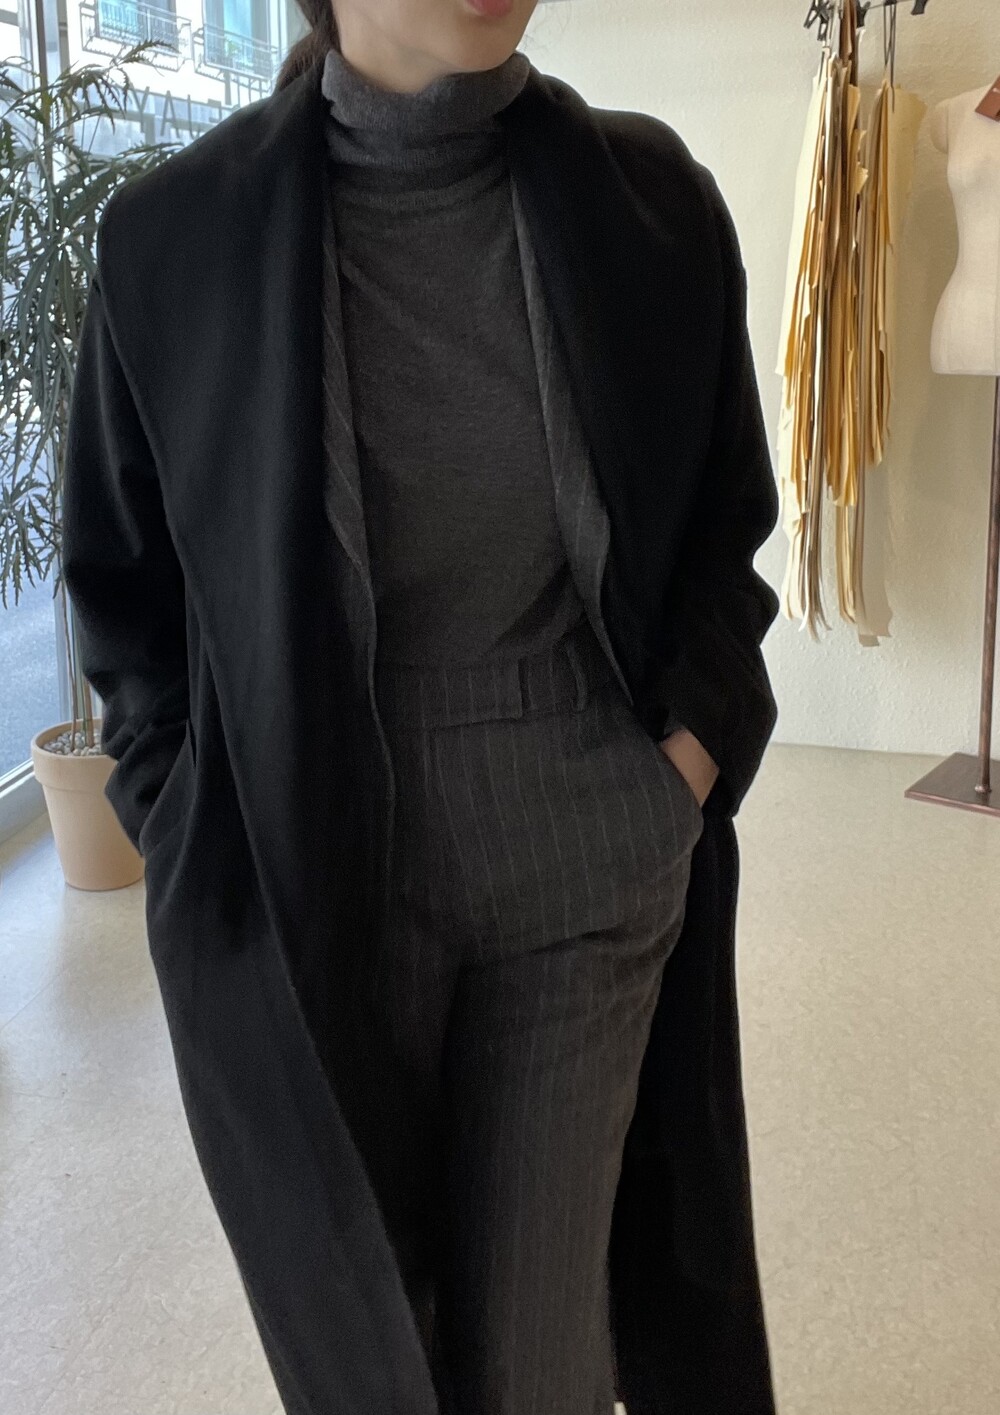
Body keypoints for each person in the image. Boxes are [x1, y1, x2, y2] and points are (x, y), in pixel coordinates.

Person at [61, 2, 781, 1412]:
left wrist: (676, 779)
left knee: (541, 1364)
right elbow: (125, 600)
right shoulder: (174, 242)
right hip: (321, 865)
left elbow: (723, 537)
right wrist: (202, 833)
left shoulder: (655, 206)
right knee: (375, 1358)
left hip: (589, 851)